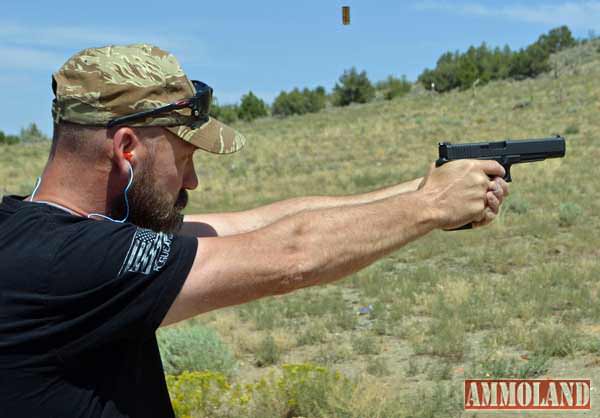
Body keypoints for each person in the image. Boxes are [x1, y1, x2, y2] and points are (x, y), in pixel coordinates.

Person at [0, 44, 508, 417]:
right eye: (185, 158)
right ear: (127, 148)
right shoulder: (67, 263)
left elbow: (260, 223)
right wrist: (429, 208)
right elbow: (292, 254)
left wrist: (422, 191)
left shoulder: (34, 229)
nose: (193, 181)